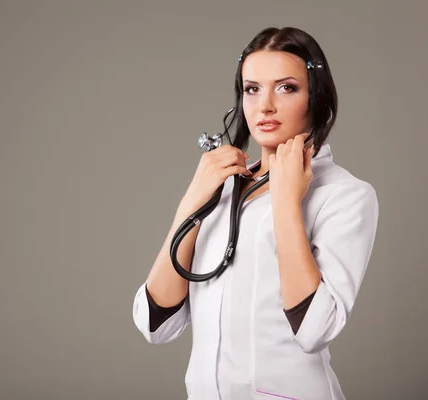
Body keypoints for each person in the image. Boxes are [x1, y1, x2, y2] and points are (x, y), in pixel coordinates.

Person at [132, 26, 379, 400]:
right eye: (252, 89)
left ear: (316, 98)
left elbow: (315, 330)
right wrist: (191, 203)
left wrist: (285, 202)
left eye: (286, 87)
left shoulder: (344, 196)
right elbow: (154, 325)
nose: (264, 105)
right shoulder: (223, 190)